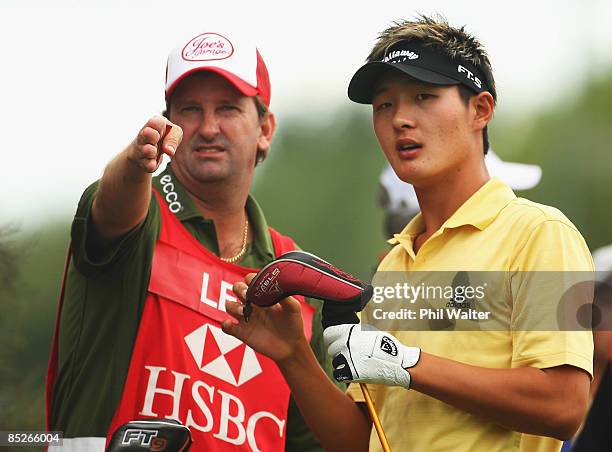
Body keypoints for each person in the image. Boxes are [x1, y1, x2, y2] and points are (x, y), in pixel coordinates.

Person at [222, 15, 594, 452]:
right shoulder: (394, 266)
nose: (400, 119)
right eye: (384, 105)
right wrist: (294, 356)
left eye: (423, 97)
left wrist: (408, 364)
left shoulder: (542, 234)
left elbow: (565, 406)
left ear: (481, 109)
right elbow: (363, 439)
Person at [45, 29, 335, 451]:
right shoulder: (139, 216)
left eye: (228, 109)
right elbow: (111, 204)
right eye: (190, 110)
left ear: (265, 128)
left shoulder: (292, 273)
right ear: (168, 125)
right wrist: (133, 162)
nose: (208, 127)